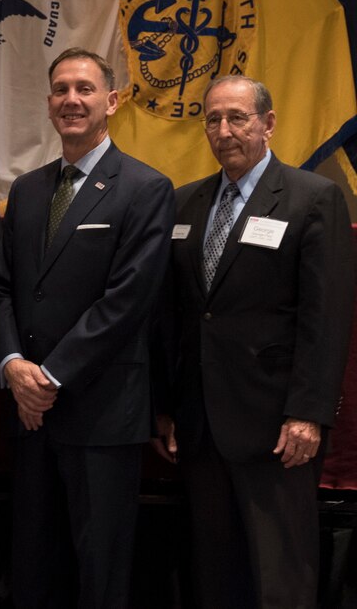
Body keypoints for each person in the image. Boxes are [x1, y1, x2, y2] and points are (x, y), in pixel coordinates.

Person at [152, 75, 354, 608]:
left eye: (237, 118)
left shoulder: (313, 198)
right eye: (213, 120)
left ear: (267, 124)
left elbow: (326, 317)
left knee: (278, 578)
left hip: (277, 427)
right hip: (200, 426)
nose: (224, 131)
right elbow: (176, 316)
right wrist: (169, 405)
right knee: (216, 575)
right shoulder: (184, 204)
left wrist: (308, 413)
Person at [0, 48, 174, 609]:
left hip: (100, 412)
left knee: (100, 572)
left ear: (111, 101)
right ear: (48, 104)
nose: (72, 100)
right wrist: (14, 368)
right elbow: (1, 291)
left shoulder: (145, 188)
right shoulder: (26, 189)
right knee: (34, 569)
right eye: (61, 89)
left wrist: (48, 379)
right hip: (28, 415)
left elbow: (127, 302)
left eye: (85, 89)